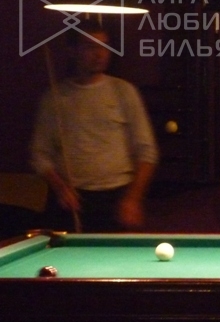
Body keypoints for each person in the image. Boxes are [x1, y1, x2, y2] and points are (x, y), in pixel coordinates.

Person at [29, 20, 158, 232]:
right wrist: (61, 188)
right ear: (72, 51)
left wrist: (132, 199)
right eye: (90, 47)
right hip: (71, 200)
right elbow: (40, 155)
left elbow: (147, 152)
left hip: (115, 199)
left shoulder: (124, 92)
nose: (100, 54)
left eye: (104, 46)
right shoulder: (54, 98)